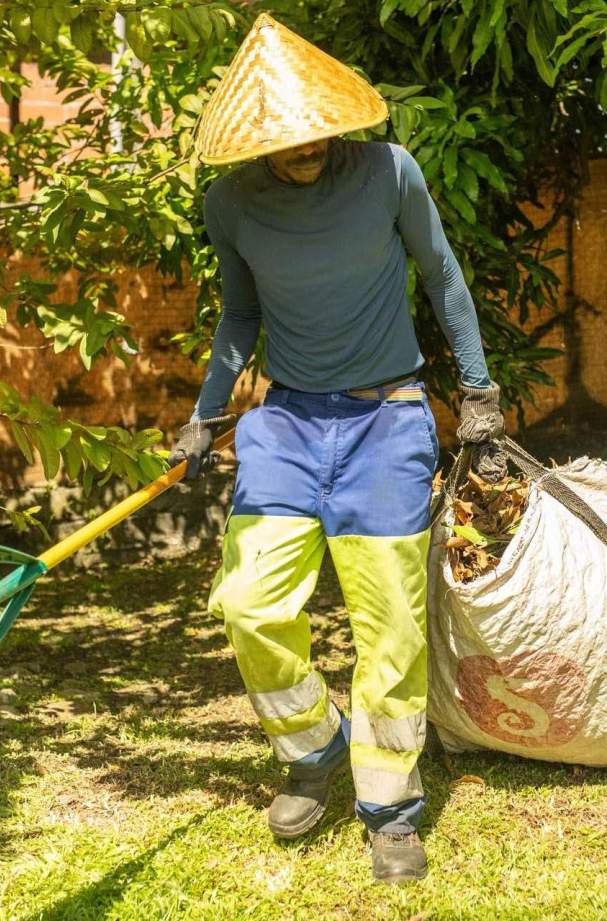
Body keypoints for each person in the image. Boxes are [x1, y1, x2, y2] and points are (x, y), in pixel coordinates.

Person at [168, 13, 506, 884]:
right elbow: (241, 315)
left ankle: (389, 802)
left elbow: (441, 275)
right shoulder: (231, 203)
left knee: (388, 624)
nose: (305, 147)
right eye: (284, 139)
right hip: (283, 424)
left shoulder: (390, 173)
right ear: (254, 143)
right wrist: (208, 415)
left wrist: (477, 393)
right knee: (246, 601)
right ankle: (314, 746)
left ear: (336, 117)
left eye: (315, 130)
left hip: (386, 419)